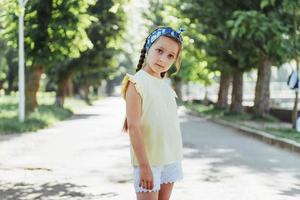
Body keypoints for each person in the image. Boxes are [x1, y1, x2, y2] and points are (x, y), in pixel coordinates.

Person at [121, 26, 184, 200]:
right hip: (149, 162)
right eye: (159, 51)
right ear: (148, 48)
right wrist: (144, 166)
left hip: (170, 157)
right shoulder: (136, 83)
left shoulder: (165, 84)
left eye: (171, 56)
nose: (163, 59)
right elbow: (133, 127)